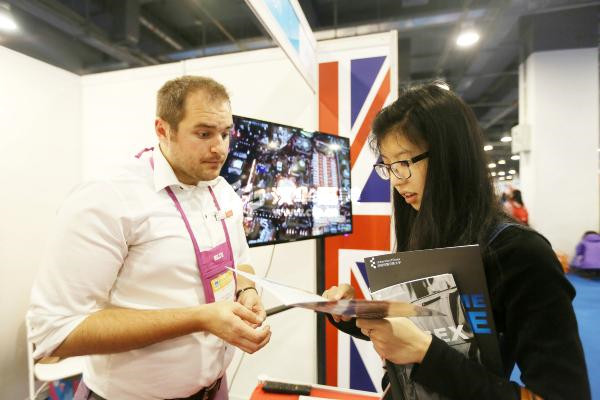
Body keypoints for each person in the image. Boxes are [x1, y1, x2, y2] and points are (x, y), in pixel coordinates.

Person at [323, 83, 590, 399]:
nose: (396, 180)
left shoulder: (521, 254)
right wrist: (356, 313)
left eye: (405, 163)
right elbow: (425, 328)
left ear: (450, 157)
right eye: (389, 166)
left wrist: (426, 354)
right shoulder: (425, 230)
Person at [27, 76, 271, 400]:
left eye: (225, 133)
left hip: (214, 389)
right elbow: (56, 332)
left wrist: (248, 290)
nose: (220, 148)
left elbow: (240, 263)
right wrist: (199, 318)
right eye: (204, 134)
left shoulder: (222, 190)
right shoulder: (109, 197)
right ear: (163, 129)